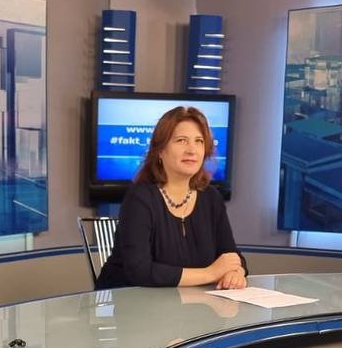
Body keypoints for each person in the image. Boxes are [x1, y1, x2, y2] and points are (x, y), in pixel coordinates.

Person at [96, 106, 247, 290]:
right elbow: (139, 271)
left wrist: (236, 273)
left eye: (199, 141)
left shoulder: (211, 198)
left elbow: (231, 255)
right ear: (160, 150)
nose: (192, 150)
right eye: (181, 140)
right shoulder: (140, 198)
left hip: (187, 302)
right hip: (126, 300)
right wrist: (211, 273)